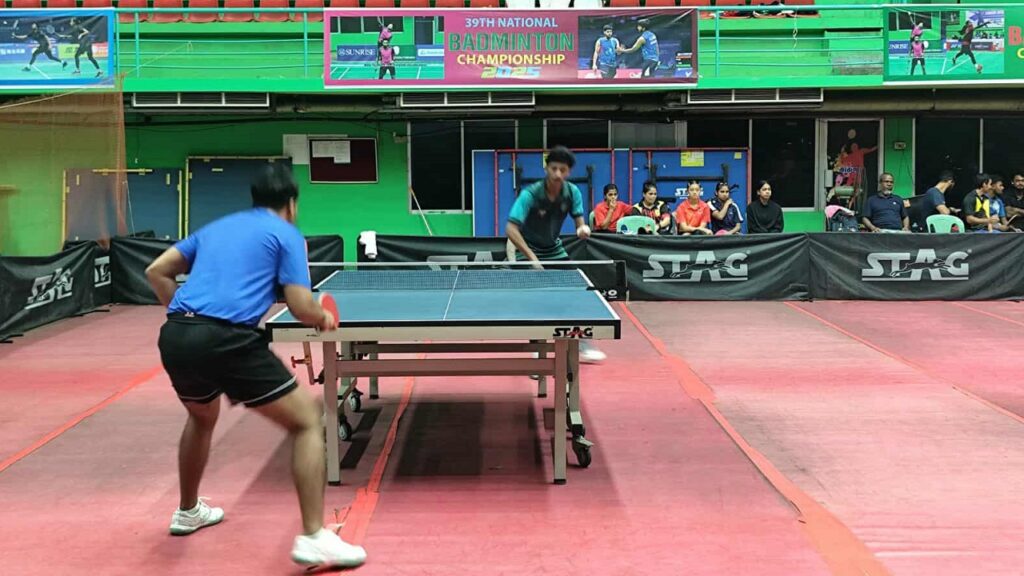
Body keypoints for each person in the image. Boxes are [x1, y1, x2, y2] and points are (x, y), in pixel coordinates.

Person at [144, 164, 367, 569]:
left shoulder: (216, 228)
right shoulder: (287, 234)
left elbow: (156, 270)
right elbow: (300, 306)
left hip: (176, 335)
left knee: (201, 417)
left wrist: (186, 316)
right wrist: (322, 317)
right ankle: (315, 536)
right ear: (291, 204)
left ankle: (188, 510)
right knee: (307, 421)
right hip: (226, 338)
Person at [506, 146, 606, 364]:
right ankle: (538, 348)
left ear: (569, 171)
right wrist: (532, 259)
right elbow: (511, 229)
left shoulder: (572, 192)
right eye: (554, 169)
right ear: (546, 168)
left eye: (563, 170)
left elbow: (580, 224)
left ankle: (580, 343)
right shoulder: (531, 194)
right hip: (527, 250)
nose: (558, 174)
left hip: (553, 249)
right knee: (537, 299)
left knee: (577, 292)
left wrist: (582, 230)